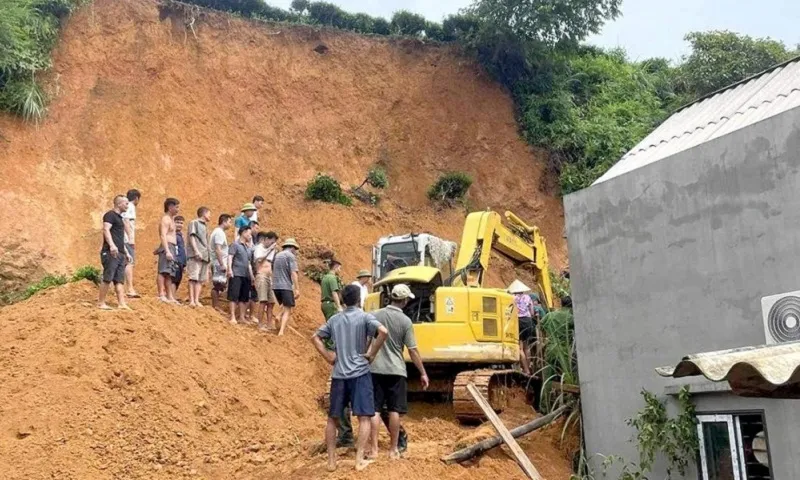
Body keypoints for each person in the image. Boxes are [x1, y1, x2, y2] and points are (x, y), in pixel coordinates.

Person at [312, 284, 389, 472]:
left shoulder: (334, 320)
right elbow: (383, 332)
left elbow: (315, 337)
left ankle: (331, 462)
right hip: (360, 373)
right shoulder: (365, 317)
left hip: (339, 374)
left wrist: (328, 355)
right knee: (364, 417)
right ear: (359, 300)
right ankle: (359, 459)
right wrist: (371, 353)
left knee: (333, 419)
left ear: (344, 300)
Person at [368, 284, 429, 460]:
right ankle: (393, 449)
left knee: (375, 410)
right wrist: (422, 372)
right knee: (394, 410)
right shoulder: (406, 322)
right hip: (396, 370)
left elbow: (368, 338)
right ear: (403, 301)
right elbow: (413, 350)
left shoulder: (375, 315)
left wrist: (367, 357)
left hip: (375, 369)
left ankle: (374, 450)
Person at [98, 195, 132, 310]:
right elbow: (106, 229)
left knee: (119, 280)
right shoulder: (110, 215)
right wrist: (112, 246)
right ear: (119, 204)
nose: (128, 205)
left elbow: (120, 237)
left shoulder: (120, 218)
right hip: (111, 252)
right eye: (126, 203)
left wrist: (126, 252)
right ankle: (101, 303)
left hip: (120, 253)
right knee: (108, 277)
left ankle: (121, 303)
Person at [272, 238, 301, 336]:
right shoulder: (290, 256)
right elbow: (293, 273)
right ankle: (281, 331)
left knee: (284, 304)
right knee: (288, 309)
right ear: (292, 248)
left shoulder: (278, 255)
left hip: (276, 286)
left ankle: (279, 315)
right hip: (286, 286)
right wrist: (297, 288)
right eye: (295, 249)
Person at [227, 226, 255, 325]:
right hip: (236, 273)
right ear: (243, 233)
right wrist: (229, 269)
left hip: (246, 275)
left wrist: (251, 276)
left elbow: (249, 263)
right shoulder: (235, 245)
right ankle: (233, 316)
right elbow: (230, 257)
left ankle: (242, 317)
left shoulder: (248, 248)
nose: (250, 236)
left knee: (244, 297)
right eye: (249, 233)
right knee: (233, 295)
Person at [253, 231, 279, 331]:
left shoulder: (271, 250)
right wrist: (269, 250)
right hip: (261, 275)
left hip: (269, 277)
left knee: (271, 302)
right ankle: (260, 324)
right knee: (263, 301)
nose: (272, 244)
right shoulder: (259, 248)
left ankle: (269, 324)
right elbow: (259, 261)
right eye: (271, 242)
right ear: (266, 239)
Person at [186, 207, 212, 308]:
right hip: (196, 255)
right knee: (193, 277)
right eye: (209, 213)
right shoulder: (194, 223)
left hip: (205, 256)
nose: (210, 216)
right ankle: (191, 300)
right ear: (204, 213)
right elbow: (191, 236)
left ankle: (196, 300)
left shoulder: (205, 226)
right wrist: (196, 251)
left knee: (200, 279)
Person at [156, 198, 180, 304]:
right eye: (176, 207)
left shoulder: (171, 219)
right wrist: (166, 250)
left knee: (170, 273)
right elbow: (163, 235)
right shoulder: (166, 219)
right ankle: (161, 293)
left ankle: (170, 296)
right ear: (170, 207)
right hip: (168, 247)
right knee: (163, 271)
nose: (178, 209)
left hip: (171, 247)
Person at [508, 280, 534, 375]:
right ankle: (530, 368)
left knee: (520, 348)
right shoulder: (528, 297)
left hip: (518, 321)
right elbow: (532, 312)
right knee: (527, 347)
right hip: (528, 321)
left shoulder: (512, 298)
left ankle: (525, 370)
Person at [210, 214, 232, 312]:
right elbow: (218, 249)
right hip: (219, 262)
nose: (230, 224)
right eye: (229, 222)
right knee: (218, 284)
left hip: (219, 261)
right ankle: (216, 306)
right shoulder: (219, 233)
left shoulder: (219, 232)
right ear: (224, 221)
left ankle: (217, 305)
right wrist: (222, 264)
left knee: (220, 284)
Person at [122, 189, 141, 299]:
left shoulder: (125, 206)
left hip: (122, 238)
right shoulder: (131, 206)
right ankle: (130, 289)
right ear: (136, 198)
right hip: (126, 239)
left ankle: (124, 288)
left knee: (124, 262)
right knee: (130, 262)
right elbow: (126, 221)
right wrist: (131, 238)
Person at [172, 216, 187, 296]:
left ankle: (172, 296)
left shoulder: (180, 235)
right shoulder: (172, 234)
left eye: (181, 223)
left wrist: (184, 264)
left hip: (181, 262)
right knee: (173, 280)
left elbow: (182, 250)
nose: (179, 225)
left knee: (177, 280)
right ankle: (171, 297)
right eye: (177, 222)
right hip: (175, 261)